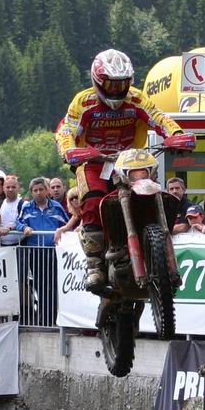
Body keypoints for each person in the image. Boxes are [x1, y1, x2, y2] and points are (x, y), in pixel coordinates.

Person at [56, 48, 192, 292]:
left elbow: (158, 118)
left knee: (153, 193)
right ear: (98, 81)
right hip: (95, 161)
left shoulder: (137, 99)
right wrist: (69, 150)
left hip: (132, 161)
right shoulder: (84, 102)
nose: (117, 90)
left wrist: (176, 134)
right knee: (92, 200)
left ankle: (162, 253)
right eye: (111, 84)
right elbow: (67, 129)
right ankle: (94, 265)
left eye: (122, 83)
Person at [18, 178, 70, 248]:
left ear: (47, 190)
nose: (38, 193)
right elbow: (18, 222)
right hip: (33, 249)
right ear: (31, 193)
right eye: (35, 190)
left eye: (41, 189)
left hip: (54, 248)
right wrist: (24, 227)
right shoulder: (27, 208)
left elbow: (67, 225)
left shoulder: (57, 207)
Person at [0, 174, 24, 246]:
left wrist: (9, 228)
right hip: (1, 245)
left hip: (20, 245)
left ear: (18, 188)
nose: (10, 189)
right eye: (8, 187)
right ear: (3, 188)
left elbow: (23, 222)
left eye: (13, 187)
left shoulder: (24, 204)